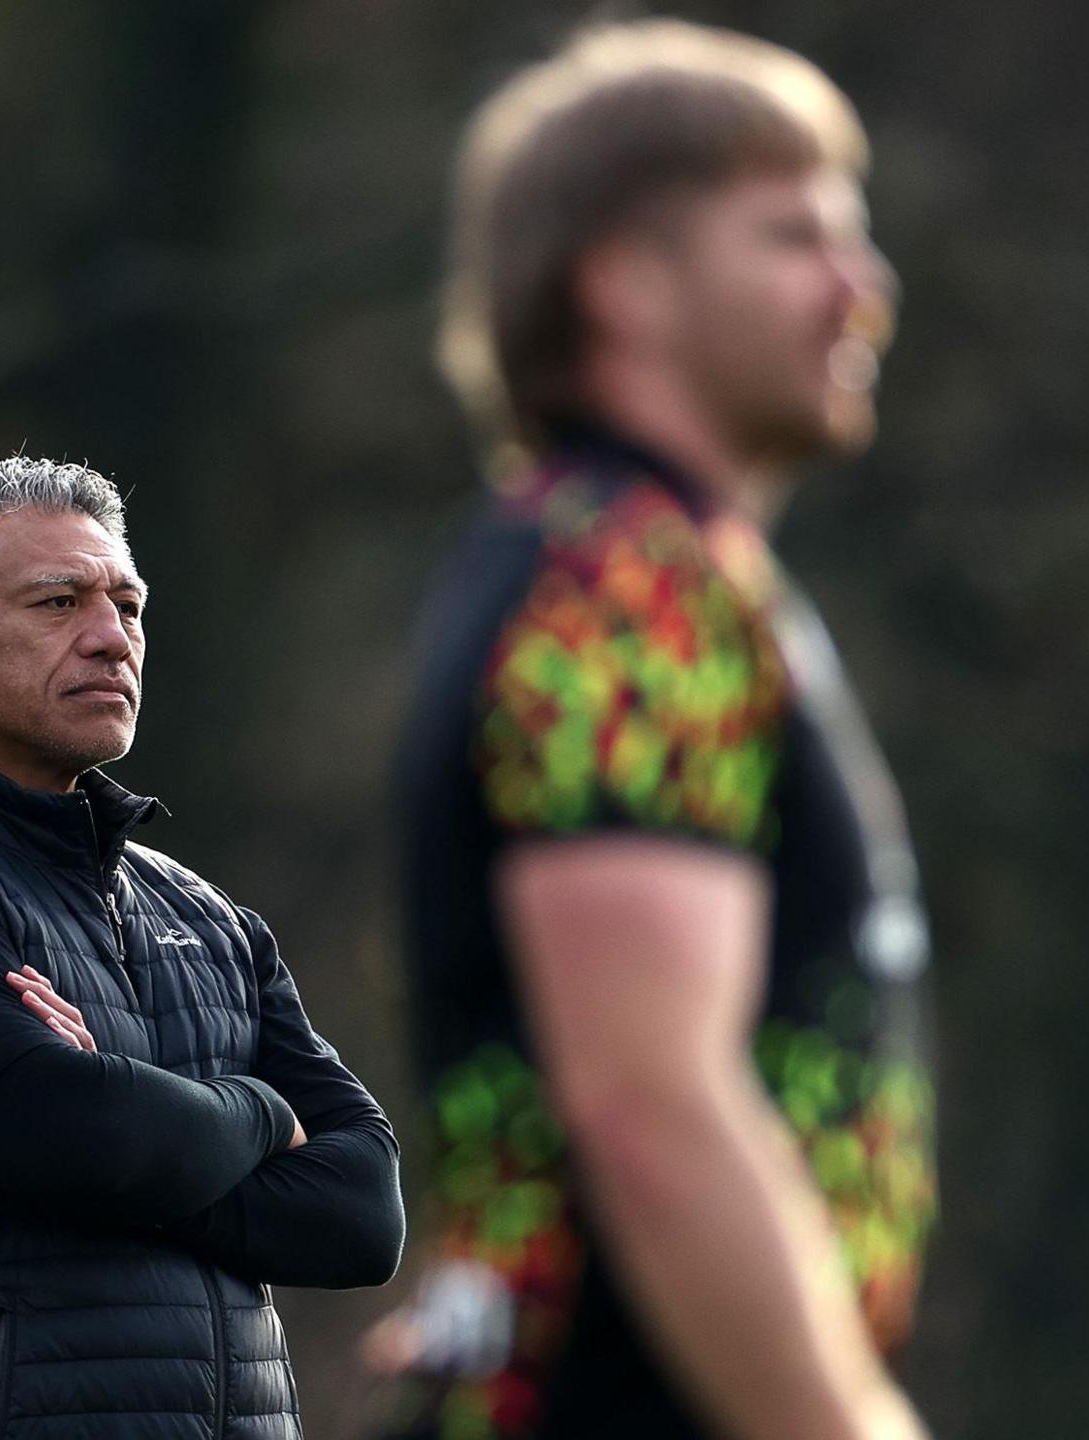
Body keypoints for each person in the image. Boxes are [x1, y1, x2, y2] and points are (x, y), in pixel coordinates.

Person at [375, 20, 936, 1440]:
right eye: (793, 237)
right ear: (623, 283)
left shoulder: (637, 569)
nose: (862, 290)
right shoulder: (626, 594)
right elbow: (651, 1106)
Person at [0, 457, 404, 1440]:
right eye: (58, 601)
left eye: (127, 605)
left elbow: (363, 1216)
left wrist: (137, 1136)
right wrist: (261, 1115)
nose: (111, 639)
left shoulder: (208, 914)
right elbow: (88, 1141)